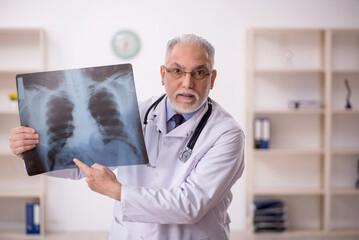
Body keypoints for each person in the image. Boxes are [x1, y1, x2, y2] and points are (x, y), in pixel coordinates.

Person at [9, 34, 245, 240]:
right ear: (163, 75)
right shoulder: (137, 113)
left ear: (212, 79)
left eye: (199, 73)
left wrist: (118, 191)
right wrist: (31, 151)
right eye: (177, 70)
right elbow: (81, 167)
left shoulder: (226, 134)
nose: (187, 82)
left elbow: (190, 205)